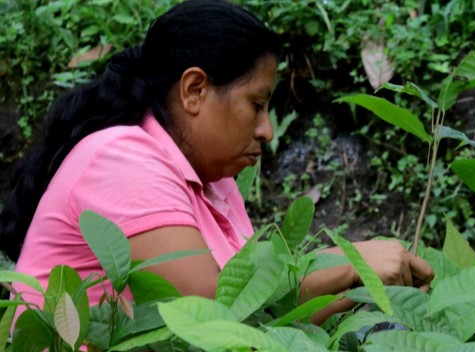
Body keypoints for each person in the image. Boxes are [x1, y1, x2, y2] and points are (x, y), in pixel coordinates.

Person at [0, 0, 433, 325]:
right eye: (257, 104)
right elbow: (213, 319)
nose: (267, 130)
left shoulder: (214, 181)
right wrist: (350, 261)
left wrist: (364, 285)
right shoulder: (120, 158)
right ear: (194, 90)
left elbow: (265, 318)